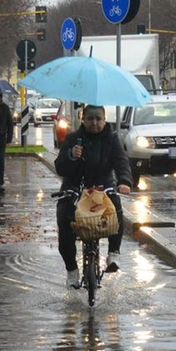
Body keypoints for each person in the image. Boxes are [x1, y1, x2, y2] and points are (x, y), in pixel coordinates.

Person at [54, 104, 132, 288]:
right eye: (90, 119)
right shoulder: (73, 138)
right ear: (83, 119)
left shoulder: (111, 139)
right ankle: (72, 271)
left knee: (115, 209)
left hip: (102, 188)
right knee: (64, 219)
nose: (94, 123)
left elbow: (122, 162)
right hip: (75, 189)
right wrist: (71, 156)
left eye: (98, 119)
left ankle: (113, 253)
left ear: (105, 120)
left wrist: (124, 182)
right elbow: (60, 166)